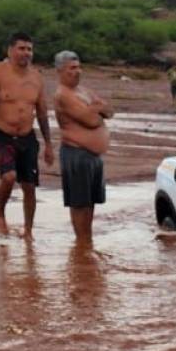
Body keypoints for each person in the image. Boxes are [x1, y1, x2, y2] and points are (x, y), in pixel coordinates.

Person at [0, 30, 54, 234]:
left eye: (29, 49)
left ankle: (28, 231)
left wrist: (49, 145)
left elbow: (43, 113)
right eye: (21, 48)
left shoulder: (36, 77)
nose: (26, 53)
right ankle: (0, 212)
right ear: (10, 50)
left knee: (29, 186)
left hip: (26, 136)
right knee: (9, 176)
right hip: (1, 133)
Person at [54, 51, 112, 246]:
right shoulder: (63, 94)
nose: (77, 71)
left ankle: (86, 244)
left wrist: (94, 108)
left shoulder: (84, 91)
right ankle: (82, 244)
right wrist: (96, 109)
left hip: (93, 156)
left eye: (79, 67)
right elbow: (91, 120)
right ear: (60, 70)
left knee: (91, 202)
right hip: (76, 153)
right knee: (80, 203)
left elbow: (110, 111)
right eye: (72, 68)